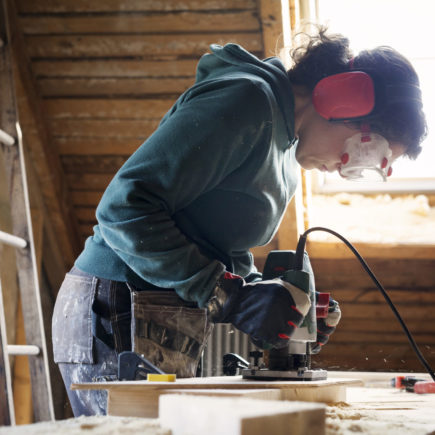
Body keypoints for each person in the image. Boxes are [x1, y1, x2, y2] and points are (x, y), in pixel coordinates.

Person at [52, 27, 427, 416]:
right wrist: (227, 294)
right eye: (366, 150)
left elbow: (219, 247)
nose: (346, 166)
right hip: (116, 309)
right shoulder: (247, 100)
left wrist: (283, 308)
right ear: (342, 100)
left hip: (160, 315)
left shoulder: (286, 149)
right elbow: (123, 207)